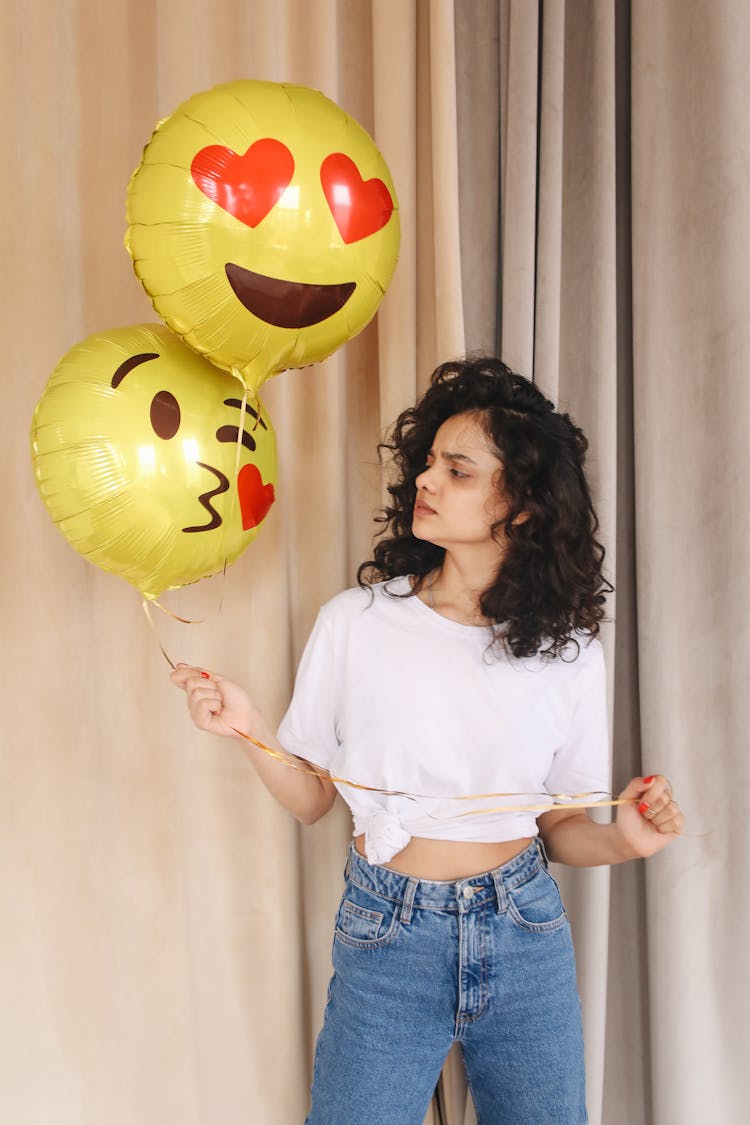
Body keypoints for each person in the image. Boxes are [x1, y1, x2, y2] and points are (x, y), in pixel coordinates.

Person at [171, 357, 684, 1125]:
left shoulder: (569, 652)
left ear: (524, 506)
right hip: (388, 934)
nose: (427, 481)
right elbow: (314, 798)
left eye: (459, 469)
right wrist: (247, 728)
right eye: (428, 463)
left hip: (524, 929)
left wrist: (628, 842)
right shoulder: (358, 621)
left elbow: (561, 828)